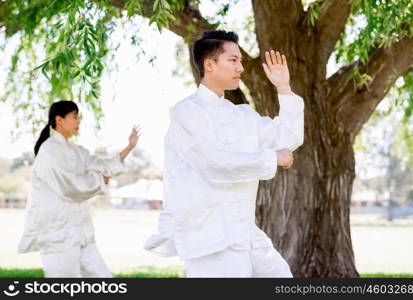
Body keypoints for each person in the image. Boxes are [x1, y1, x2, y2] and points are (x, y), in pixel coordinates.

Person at [144, 30, 304, 277]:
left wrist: (283, 87)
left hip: (244, 232)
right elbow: (214, 164)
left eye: (240, 61)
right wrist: (272, 158)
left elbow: (288, 138)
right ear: (209, 64)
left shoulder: (242, 114)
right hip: (209, 237)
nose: (241, 67)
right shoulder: (186, 113)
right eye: (233, 60)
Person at [18, 100, 140, 278]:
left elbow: (104, 166)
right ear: (59, 120)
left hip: (81, 232)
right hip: (58, 234)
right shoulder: (49, 151)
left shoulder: (77, 151)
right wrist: (100, 180)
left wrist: (129, 146)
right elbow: (69, 186)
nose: (78, 122)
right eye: (74, 117)